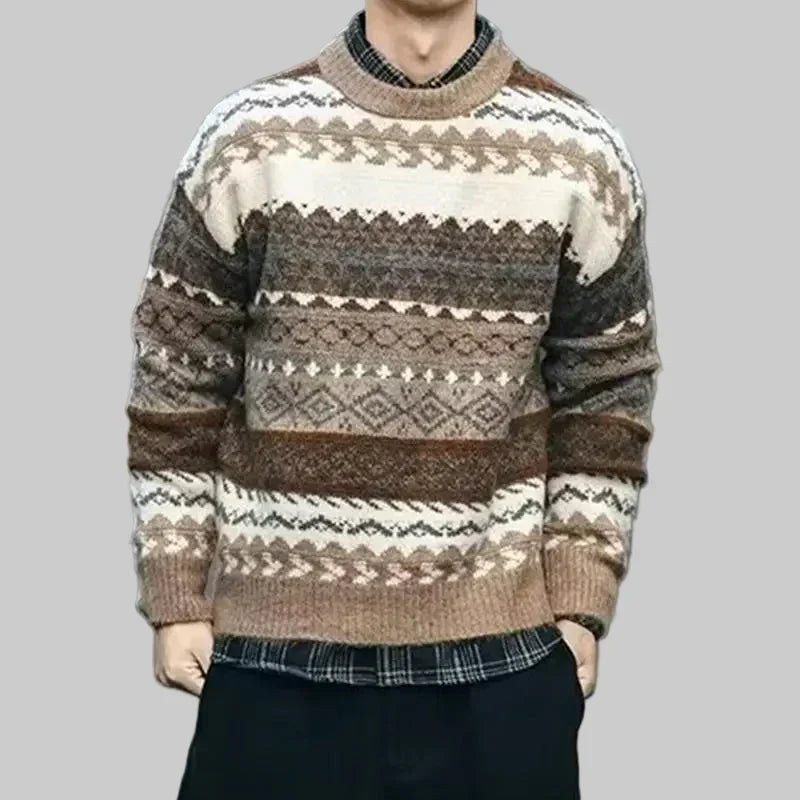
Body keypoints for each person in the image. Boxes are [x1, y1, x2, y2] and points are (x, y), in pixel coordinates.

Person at [125, 1, 661, 796]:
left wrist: (581, 595)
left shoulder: (579, 150)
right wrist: (175, 591)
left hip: (502, 662)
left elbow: (609, 384)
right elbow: (177, 368)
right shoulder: (248, 138)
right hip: (274, 661)